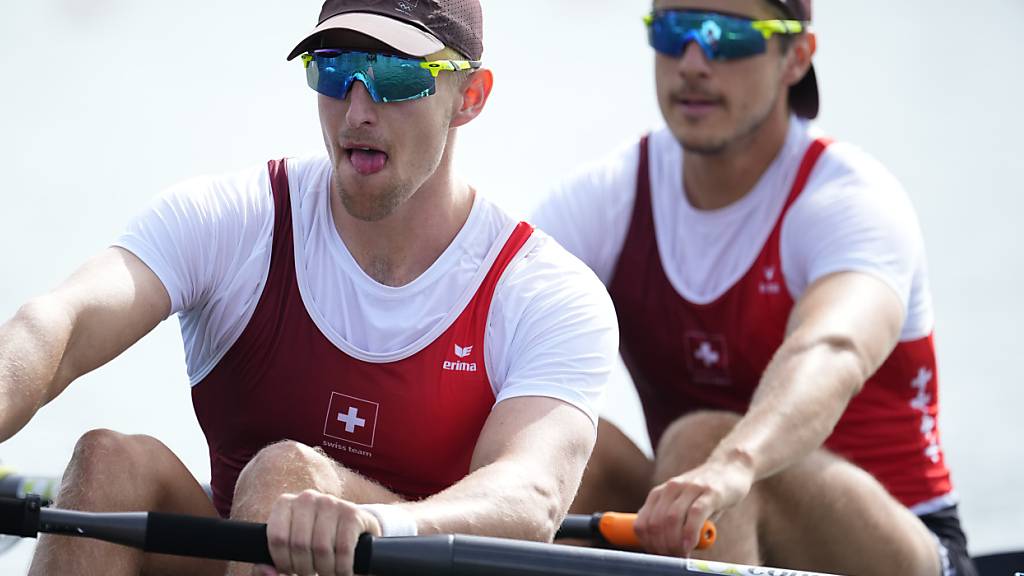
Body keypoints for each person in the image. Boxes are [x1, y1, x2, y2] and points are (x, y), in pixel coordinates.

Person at [0, 1, 618, 575]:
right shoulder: (236, 220)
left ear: (471, 96)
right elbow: (62, 323)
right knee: (107, 464)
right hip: (253, 553)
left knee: (285, 477)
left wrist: (371, 524)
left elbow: (531, 496)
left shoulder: (545, 292)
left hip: (420, 557)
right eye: (334, 69)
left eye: (397, 76)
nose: (357, 111)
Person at [533, 1, 976, 575]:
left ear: (796, 57)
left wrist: (732, 463)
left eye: (727, 37)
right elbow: (483, 320)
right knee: (558, 444)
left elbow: (833, 349)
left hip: (903, 548)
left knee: (699, 443)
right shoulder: (609, 196)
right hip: (705, 513)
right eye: (674, 33)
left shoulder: (849, 201)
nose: (693, 61)